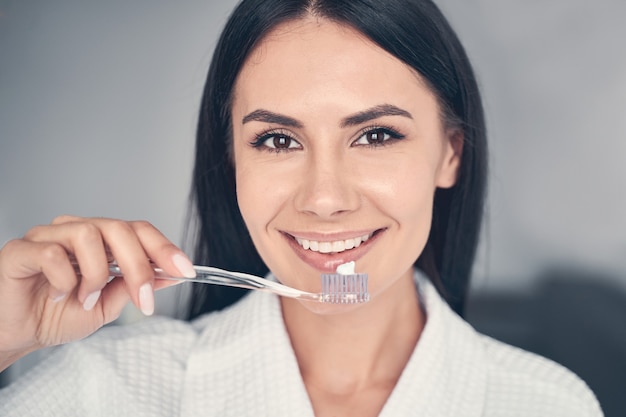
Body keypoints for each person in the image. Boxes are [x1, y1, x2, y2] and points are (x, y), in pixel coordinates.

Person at [0, 0, 603, 416]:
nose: (325, 198)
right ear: (233, 159)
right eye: (278, 140)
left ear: (450, 154)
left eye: (376, 135)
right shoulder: (104, 390)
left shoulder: (545, 405)